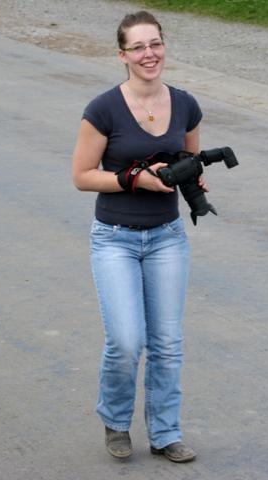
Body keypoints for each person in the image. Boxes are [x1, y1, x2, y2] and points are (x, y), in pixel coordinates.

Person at [71, 10, 205, 463]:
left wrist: (194, 181)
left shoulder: (185, 104)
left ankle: (166, 432)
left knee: (167, 343)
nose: (149, 54)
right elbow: (82, 177)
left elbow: (191, 162)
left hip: (167, 236)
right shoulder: (103, 109)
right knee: (127, 341)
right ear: (122, 55)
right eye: (138, 47)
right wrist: (135, 180)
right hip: (114, 237)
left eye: (155, 44)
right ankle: (115, 419)